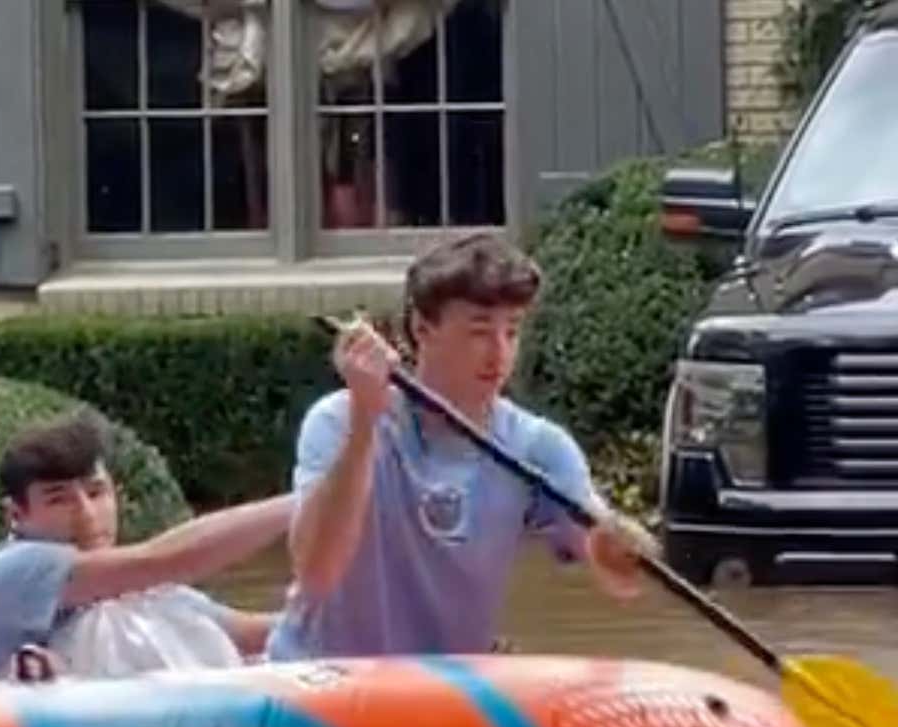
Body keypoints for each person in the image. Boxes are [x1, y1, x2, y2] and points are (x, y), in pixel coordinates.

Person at [265, 232, 654, 662]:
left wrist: (622, 546)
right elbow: (316, 573)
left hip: (446, 695)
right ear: (421, 328)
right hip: (325, 685)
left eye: (512, 332)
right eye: (479, 331)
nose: (499, 354)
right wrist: (364, 424)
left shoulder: (538, 446)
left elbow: (618, 578)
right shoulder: (338, 420)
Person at [0, 409, 291, 682]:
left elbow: (253, 633)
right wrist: (306, 502)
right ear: (17, 514)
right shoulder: (4, 573)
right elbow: (165, 560)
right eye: (60, 500)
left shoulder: (146, 596)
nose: (87, 515)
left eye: (96, 492)